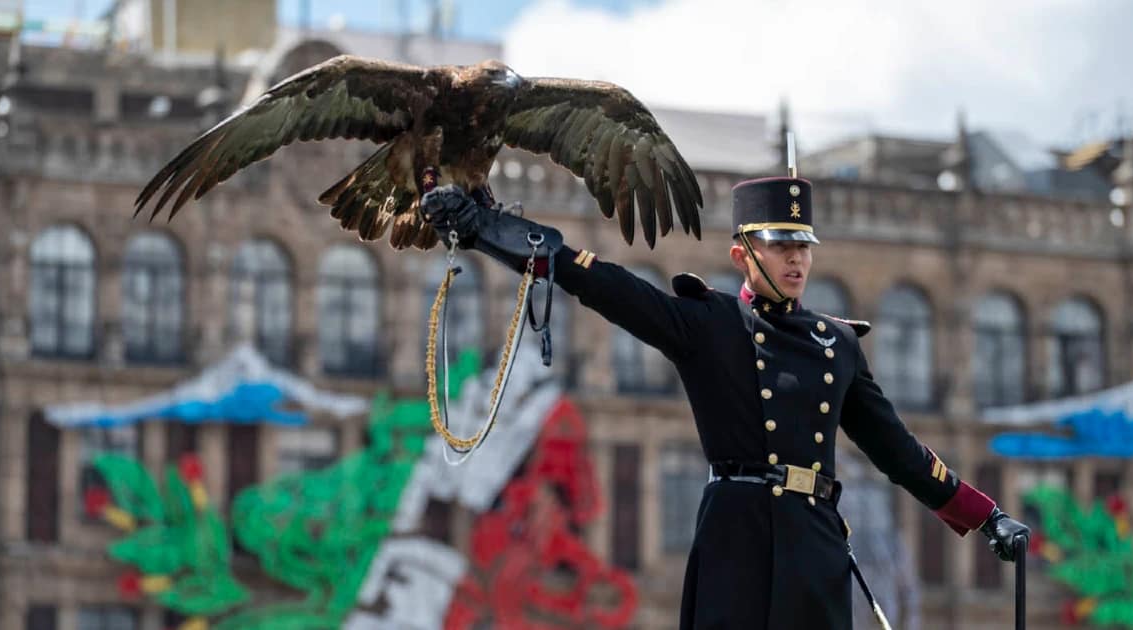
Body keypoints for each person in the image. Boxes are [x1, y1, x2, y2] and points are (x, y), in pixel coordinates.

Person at [421, 175, 1030, 630]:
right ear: (743, 252)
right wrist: (492, 233)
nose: (797, 260)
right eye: (780, 246)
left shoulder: (837, 344)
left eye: (804, 247)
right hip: (735, 539)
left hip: (813, 543)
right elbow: (605, 284)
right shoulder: (707, 324)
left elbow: (899, 451)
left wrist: (985, 515)